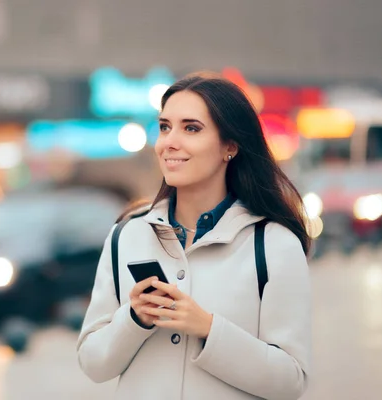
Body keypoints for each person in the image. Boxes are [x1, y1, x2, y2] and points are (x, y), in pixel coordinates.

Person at [77, 72, 311, 399]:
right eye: (164, 127)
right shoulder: (125, 236)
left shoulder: (273, 244)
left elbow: (290, 381)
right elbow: (93, 363)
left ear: (230, 146)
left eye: (191, 128)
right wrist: (134, 319)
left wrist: (208, 328)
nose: (170, 141)